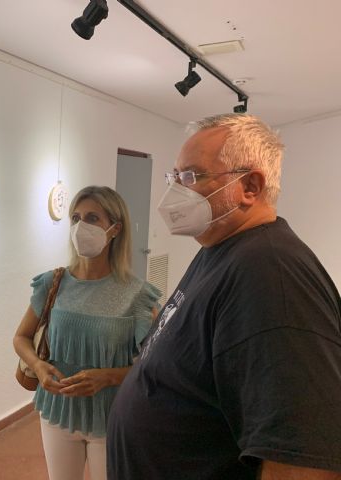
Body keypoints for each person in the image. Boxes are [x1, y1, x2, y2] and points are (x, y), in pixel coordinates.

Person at [107, 114, 341, 480]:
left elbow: (301, 458)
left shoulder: (270, 273)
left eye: (191, 176)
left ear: (250, 186)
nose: (175, 191)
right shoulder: (221, 250)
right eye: (174, 177)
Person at [13, 186, 160, 480]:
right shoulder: (53, 283)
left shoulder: (136, 294)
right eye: (76, 218)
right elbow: (21, 337)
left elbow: (156, 364)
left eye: (93, 218)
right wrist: (38, 366)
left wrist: (108, 377)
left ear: (115, 228)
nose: (81, 226)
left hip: (111, 415)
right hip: (57, 410)